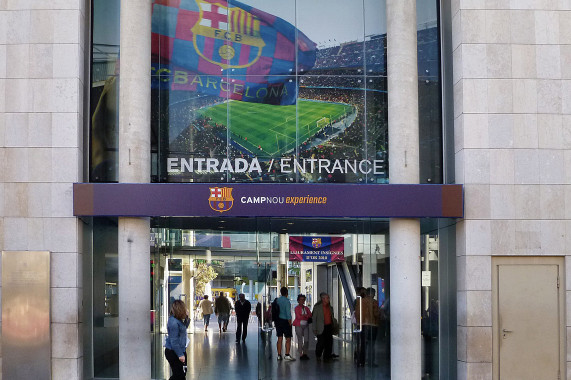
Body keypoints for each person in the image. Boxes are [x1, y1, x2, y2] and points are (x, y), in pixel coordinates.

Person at [164, 300, 190, 380]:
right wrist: (180, 355)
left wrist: (187, 318)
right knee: (179, 375)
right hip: (174, 351)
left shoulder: (177, 320)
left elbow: (183, 328)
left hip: (180, 349)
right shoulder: (173, 322)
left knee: (182, 374)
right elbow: (174, 341)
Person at [355, 287, 380, 366]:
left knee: (363, 344)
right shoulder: (374, 302)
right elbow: (376, 314)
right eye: (374, 293)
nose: (375, 295)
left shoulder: (359, 301)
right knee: (371, 345)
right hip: (372, 325)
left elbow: (357, 313)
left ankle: (361, 361)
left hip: (361, 325)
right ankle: (370, 362)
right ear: (372, 293)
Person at [312, 292, 338, 361]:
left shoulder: (330, 307)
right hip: (321, 327)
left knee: (329, 342)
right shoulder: (317, 307)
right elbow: (314, 319)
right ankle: (318, 354)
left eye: (328, 298)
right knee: (321, 342)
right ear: (323, 299)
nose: (329, 299)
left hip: (328, 327)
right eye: (327, 298)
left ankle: (327, 356)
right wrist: (314, 328)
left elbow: (332, 317)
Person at [275, 287, 296, 361]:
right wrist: (290, 323)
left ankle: (279, 355)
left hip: (278, 321)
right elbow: (288, 314)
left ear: (281, 292)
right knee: (288, 338)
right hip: (285, 321)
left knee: (279, 338)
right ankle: (287, 355)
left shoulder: (277, 300)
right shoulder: (287, 301)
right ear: (287, 293)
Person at [293, 293, 312, 360]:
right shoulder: (296, 308)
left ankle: (305, 353)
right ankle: (301, 354)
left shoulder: (306, 308)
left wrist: (304, 316)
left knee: (306, 340)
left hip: (306, 325)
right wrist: (305, 316)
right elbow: (298, 317)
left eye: (303, 300)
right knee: (300, 340)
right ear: (298, 300)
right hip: (299, 325)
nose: (302, 301)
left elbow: (310, 315)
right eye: (301, 300)